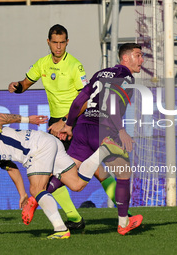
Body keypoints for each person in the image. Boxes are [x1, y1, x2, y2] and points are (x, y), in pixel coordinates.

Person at [8, 24, 119, 229]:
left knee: (82, 170)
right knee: (81, 169)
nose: (58, 47)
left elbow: (85, 100)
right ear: (48, 42)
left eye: (62, 43)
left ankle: (83, 217)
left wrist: (66, 121)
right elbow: (25, 84)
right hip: (55, 124)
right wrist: (17, 87)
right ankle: (81, 218)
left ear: (67, 42)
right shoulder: (42, 64)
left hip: (75, 121)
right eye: (55, 42)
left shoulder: (75, 66)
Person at [0, 113, 124, 239]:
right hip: (48, 144)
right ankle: (103, 151)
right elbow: (12, 168)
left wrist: (28, 120)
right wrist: (22, 194)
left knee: (37, 189)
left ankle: (60, 229)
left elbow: (0, 118)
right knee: (77, 184)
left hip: (37, 148)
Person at [59, 43, 145, 235]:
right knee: (123, 172)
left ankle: (37, 196)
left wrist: (69, 125)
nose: (142, 60)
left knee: (70, 174)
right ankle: (123, 224)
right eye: (138, 55)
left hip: (83, 127)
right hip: (104, 130)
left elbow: (79, 100)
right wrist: (121, 130)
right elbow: (112, 102)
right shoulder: (126, 77)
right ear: (125, 59)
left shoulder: (100, 74)